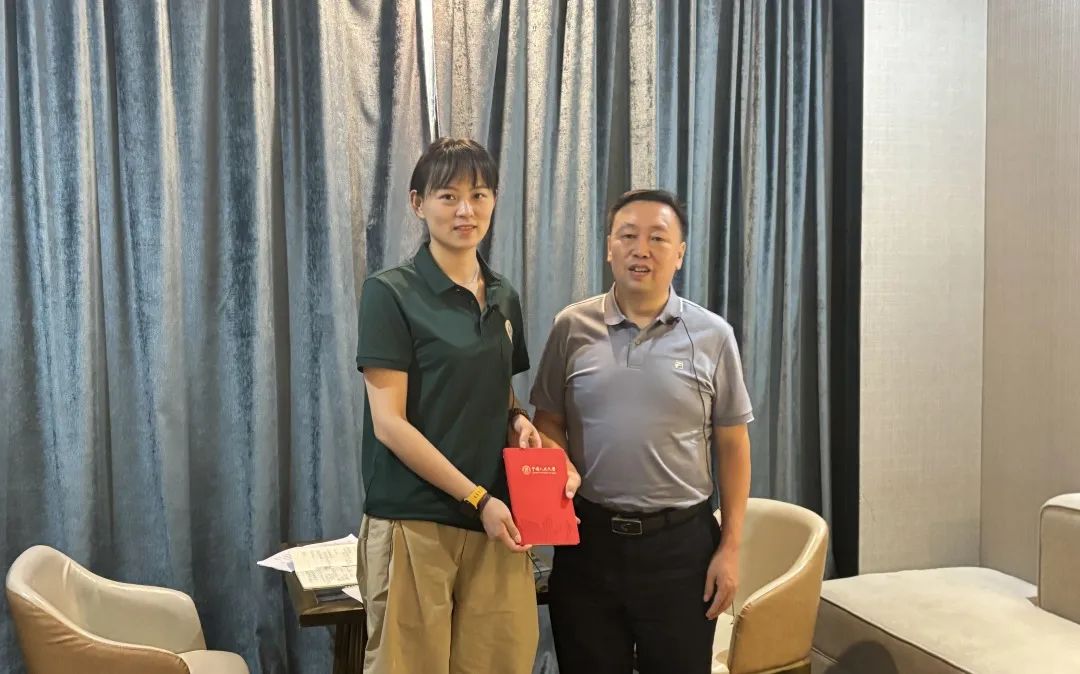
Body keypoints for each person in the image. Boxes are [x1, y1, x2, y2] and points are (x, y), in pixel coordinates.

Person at [354, 137, 576, 674]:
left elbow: (497, 390)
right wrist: (477, 498)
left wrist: (518, 420)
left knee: (502, 660)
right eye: (448, 196)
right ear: (418, 203)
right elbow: (390, 425)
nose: (465, 211)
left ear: (494, 200)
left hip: (498, 521)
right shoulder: (391, 293)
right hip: (416, 518)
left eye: (479, 195)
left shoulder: (503, 295)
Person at [530, 189, 754, 674]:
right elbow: (547, 420)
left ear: (680, 252)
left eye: (658, 238)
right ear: (609, 247)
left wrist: (731, 547)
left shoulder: (713, 336)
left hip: (682, 549)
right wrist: (557, 466)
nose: (641, 250)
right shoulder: (571, 327)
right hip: (588, 543)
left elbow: (734, 444)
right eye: (628, 236)